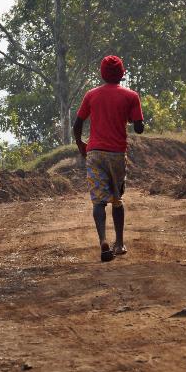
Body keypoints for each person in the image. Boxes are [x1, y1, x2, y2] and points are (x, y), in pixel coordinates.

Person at [73, 55, 144, 263]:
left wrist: (80, 145)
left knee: (98, 201)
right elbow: (139, 128)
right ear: (122, 73)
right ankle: (119, 243)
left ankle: (103, 240)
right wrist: (132, 119)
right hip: (116, 154)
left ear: (102, 73)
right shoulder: (131, 96)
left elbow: (77, 125)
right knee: (117, 199)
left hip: (94, 153)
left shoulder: (91, 95)